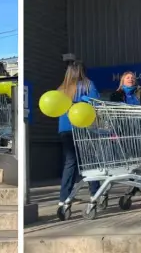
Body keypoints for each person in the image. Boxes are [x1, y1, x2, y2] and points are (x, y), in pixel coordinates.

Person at [56, 55, 100, 221]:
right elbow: (96, 102)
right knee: (90, 162)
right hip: (84, 128)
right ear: (83, 71)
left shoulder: (61, 89)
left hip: (65, 129)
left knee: (70, 164)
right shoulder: (88, 85)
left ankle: (63, 200)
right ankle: (95, 194)